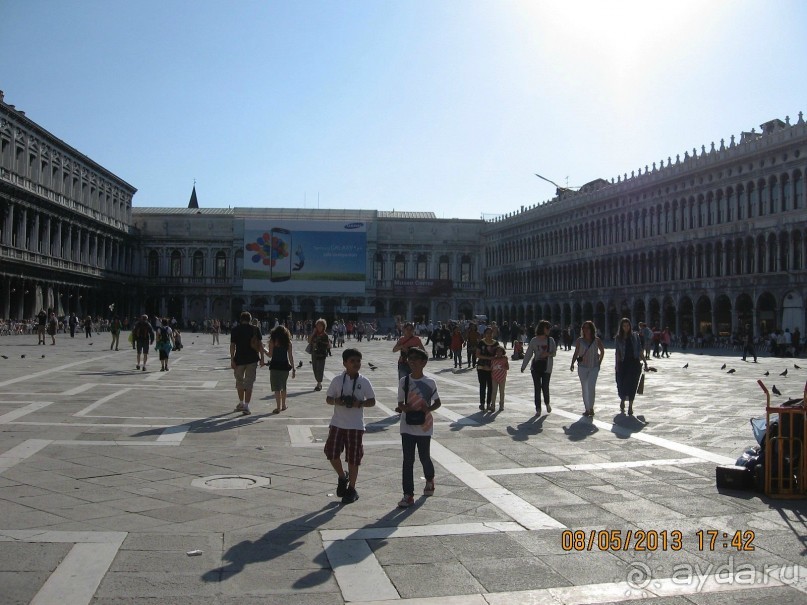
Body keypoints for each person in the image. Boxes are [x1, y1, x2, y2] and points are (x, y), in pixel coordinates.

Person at [324, 348, 376, 504]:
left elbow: (372, 401)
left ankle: (352, 489)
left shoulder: (364, 381)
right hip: (338, 423)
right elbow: (328, 398)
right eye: (352, 361)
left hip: (355, 425)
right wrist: (337, 401)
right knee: (331, 453)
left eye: (358, 361)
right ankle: (342, 476)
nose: (356, 364)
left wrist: (359, 403)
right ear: (344, 363)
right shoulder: (338, 380)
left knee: (353, 458)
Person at [395, 348, 441, 507]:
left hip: (424, 426)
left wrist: (427, 409)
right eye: (409, 358)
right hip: (407, 425)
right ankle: (408, 494)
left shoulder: (430, 382)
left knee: (424, 457)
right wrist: (403, 407)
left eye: (415, 359)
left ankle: (430, 479)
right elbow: (400, 402)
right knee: (408, 460)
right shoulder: (404, 381)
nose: (412, 361)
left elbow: (437, 402)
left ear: (424, 362)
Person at [230, 311, 264, 415]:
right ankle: (246, 406)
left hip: (239, 360)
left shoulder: (235, 329)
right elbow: (260, 345)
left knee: (239, 382)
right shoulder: (255, 329)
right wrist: (262, 358)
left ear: (241, 319)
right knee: (249, 383)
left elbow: (232, 346)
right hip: (252, 359)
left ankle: (241, 403)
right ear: (250, 319)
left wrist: (232, 359)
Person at [570, 321, 605, 417]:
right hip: (582, 367)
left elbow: (602, 351)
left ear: (592, 329)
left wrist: (599, 362)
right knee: (584, 387)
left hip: (594, 367)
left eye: (587, 327)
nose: (585, 329)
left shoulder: (596, 340)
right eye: (584, 327)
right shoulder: (579, 341)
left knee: (591, 386)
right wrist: (572, 363)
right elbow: (576, 352)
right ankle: (587, 408)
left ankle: (591, 407)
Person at [521, 320, 556, 414]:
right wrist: (523, 366)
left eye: (549, 328)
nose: (549, 330)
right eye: (547, 328)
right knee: (537, 387)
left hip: (547, 367)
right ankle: (538, 408)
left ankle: (547, 403)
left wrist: (547, 354)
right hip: (535, 367)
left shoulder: (550, 340)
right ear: (542, 328)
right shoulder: (534, 340)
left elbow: (554, 353)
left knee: (545, 386)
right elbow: (528, 353)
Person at [614, 317, 648, 415]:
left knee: (632, 385)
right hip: (623, 364)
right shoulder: (618, 337)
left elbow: (640, 349)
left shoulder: (635, 336)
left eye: (628, 325)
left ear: (630, 326)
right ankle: (622, 399)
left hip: (634, 363)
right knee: (621, 384)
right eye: (624, 326)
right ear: (621, 327)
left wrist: (645, 362)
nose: (626, 328)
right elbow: (617, 352)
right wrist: (616, 365)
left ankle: (630, 406)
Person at [267, 324, 295, 413]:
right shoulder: (288, 342)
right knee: (283, 386)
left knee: (276, 388)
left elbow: (270, 355)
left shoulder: (273, 341)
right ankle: (283, 405)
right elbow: (290, 356)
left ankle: (278, 407)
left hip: (275, 366)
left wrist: (264, 350)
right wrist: (293, 368)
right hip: (284, 366)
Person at [476, 327, 500, 411]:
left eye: (491, 333)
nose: (489, 335)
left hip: (492, 368)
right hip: (481, 367)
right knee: (482, 385)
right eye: (487, 333)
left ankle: (488, 404)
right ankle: (482, 403)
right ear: (485, 334)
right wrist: (488, 358)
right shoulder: (481, 343)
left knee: (491, 386)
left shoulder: (495, 343)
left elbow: (499, 353)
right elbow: (477, 354)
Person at [308, 318, 331, 391]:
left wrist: (319, 343)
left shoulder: (325, 335)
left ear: (323, 327)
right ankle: (318, 381)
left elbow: (327, 345)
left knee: (320, 368)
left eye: (320, 326)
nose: (319, 327)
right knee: (315, 368)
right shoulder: (314, 334)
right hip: (314, 353)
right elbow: (309, 341)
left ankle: (319, 383)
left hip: (321, 354)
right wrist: (313, 333)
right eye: (317, 325)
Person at [491, 345, 509, 411]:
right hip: (494, 376)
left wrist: (502, 367)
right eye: (497, 351)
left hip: (502, 376)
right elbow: (491, 367)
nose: (498, 353)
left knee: (502, 391)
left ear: (502, 352)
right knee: (494, 391)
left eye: (500, 351)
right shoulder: (493, 359)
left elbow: (507, 367)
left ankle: (501, 405)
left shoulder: (505, 358)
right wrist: (494, 368)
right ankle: (493, 405)